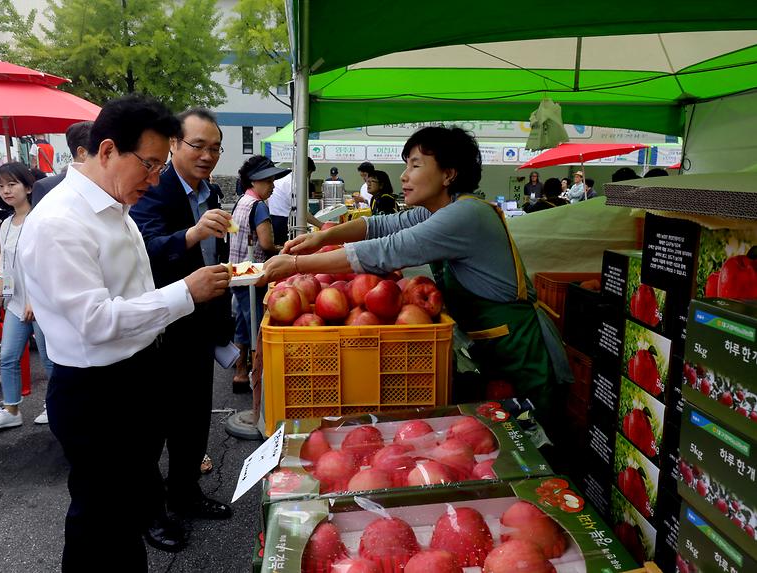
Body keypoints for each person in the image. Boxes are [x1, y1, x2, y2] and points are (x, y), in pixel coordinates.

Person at [18, 94, 231, 572]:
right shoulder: (60, 222)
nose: (156, 178)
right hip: (97, 392)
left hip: (136, 374)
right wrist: (185, 294)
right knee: (100, 520)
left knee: (126, 514)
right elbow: (94, 320)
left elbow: (134, 293)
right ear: (109, 150)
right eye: (150, 164)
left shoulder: (115, 207)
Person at [261, 126, 571, 434]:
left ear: (448, 174)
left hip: (521, 354)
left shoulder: (464, 216)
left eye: (416, 165)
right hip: (491, 351)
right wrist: (324, 237)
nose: (404, 175)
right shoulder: (440, 210)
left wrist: (296, 264)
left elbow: (387, 250)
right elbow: (380, 227)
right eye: (406, 164)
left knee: (535, 450)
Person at [129, 107, 234, 552]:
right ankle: (152, 515)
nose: (207, 155)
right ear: (174, 145)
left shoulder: (210, 193)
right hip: (160, 326)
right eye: (198, 145)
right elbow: (144, 252)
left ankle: (186, 494)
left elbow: (214, 261)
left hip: (200, 324)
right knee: (153, 427)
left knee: (194, 417)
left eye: (215, 148)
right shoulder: (153, 189)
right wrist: (190, 235)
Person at [0, 163, 54, 430]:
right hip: (15, 303)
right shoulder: (7, 224)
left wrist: (35, 300)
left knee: (49, 358)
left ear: (29, 186)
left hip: (41, 303)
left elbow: (47, 265)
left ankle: (55, 406)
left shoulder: (42, 219)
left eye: (12, 184)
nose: (6, 190)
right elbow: (7, 267)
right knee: (8, 356)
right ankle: (11, 410)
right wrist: (1, 298)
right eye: (1, 186)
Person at [230, 155, 290, 385]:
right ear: (254, 181)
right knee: (256, 326)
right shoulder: (259, 207)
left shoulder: (240, 202)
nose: (273, 186)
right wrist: (282, 249)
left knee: (243, 324)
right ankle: (259, 377)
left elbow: (236, 235)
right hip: (254, 274)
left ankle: (240, 372)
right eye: (268, 181)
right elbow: (265, 244)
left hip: (236, 272)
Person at [32, 121, 93, 206]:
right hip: (50, 172)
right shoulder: (49, 146)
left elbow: (34, 161)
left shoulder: (36, 146)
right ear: (82, 152)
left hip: (44, 172)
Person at [268, 157, 323, 246]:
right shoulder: (293, 183)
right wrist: (321, 225)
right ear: (306, 170)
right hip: (281, 221)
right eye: (309, 174)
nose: (309, 177)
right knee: (284, 248)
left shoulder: (285, 176)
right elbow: (302, 212)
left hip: (273, 217)